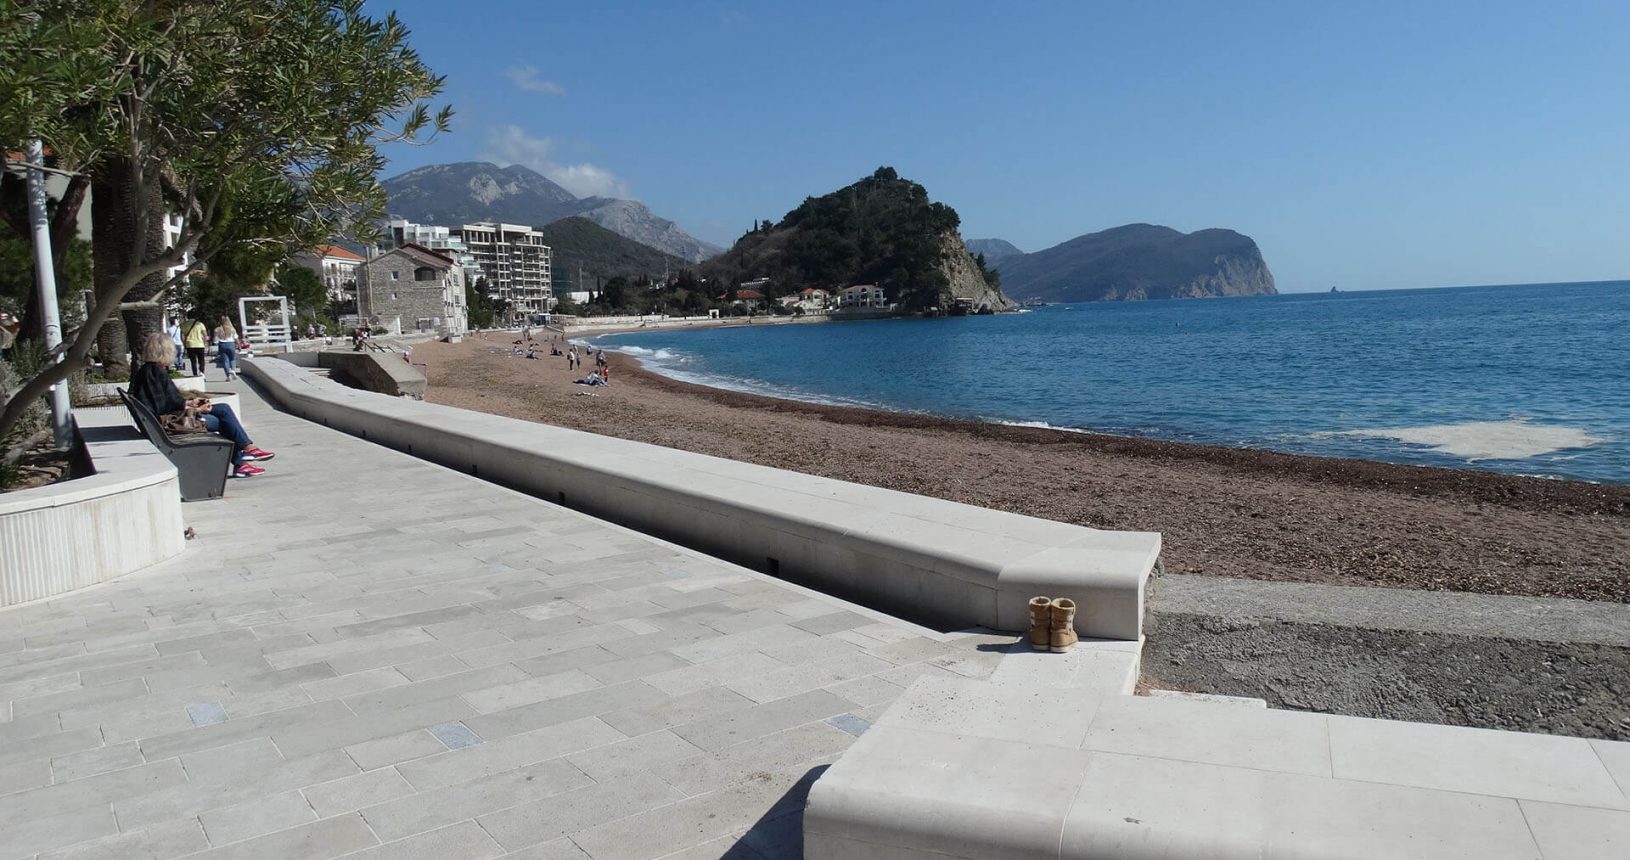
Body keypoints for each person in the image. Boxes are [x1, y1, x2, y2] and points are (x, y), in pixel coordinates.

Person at [131, 333, 274, 478]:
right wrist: (196, 409)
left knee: (223, 409)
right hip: (173, 423)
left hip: (169, 418)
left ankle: (247, 453)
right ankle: (244, 458)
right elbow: (161, 407)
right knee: (223, 422)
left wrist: (189, 403)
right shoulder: (156, 372)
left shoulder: (148, 371)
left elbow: (164, 401)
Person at [214, 316, 240, 381]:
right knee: (232, 359)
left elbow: (215, 340)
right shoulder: (232, 329)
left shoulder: (217, 329)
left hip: (222, 344)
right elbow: (236, 338)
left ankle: (228, 376)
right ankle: (233, 370)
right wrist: (239, 345)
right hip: (231, 344)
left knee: (225, 361)